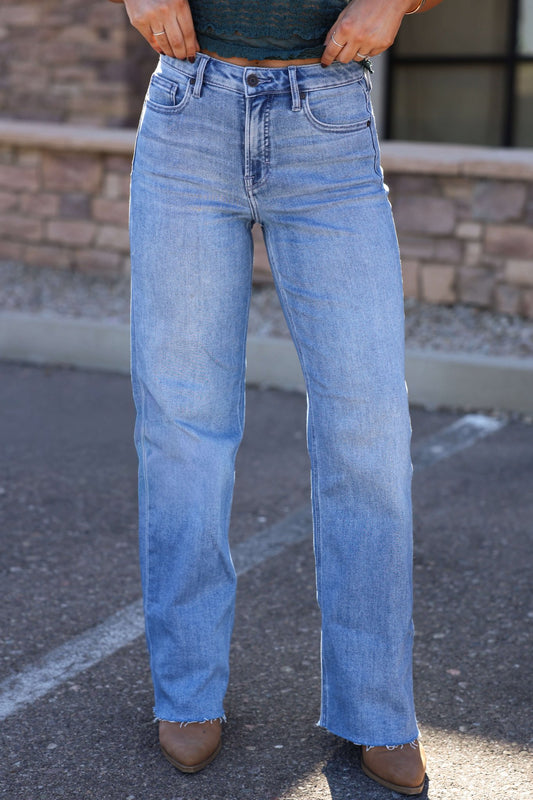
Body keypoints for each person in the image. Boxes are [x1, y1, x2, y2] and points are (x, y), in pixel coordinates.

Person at [109, 0, 444, 794]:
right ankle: (187, 690)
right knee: (181, 427)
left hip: (325, 120)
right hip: (188, 112)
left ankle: (376, 705)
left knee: (367, 428)